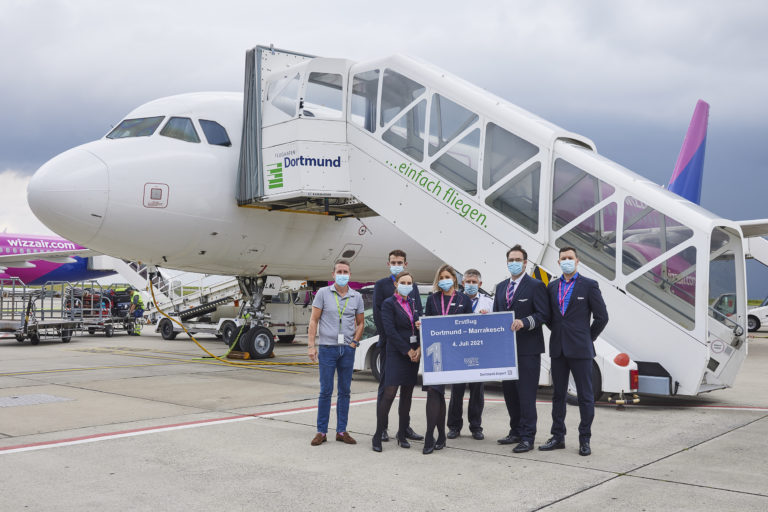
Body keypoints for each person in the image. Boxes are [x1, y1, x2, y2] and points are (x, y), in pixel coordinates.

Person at [539, 246, 608, 456]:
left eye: (570, 258)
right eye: (563, 258)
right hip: (558, 349)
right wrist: (560, 332)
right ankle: (557, 436)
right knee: (558, 395)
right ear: (558, 263)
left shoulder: (589, 285)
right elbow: (550, 318)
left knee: (585, 396)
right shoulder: (551, 287)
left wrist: (588, 337)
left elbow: (602, 317)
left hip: (581, 349)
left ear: (577, 261)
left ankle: (584, 439)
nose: (566, 261)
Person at [492, 245, 550, 453]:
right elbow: (497, 317)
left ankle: (527, 437)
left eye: (518, 260)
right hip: (506, 351)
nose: (514, 263)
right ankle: (515, 430)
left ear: (525, 263)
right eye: (511, 260)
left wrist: (524, 322)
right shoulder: (500, 287)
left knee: (526, 395)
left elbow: (543, 315)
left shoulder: (536, 286)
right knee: (510, 393)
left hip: (527, 350)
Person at [307, 260, 365, 446]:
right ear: (333, 274)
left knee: (345, 391)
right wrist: (311, 345)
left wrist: (354, 342)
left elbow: (361, 322)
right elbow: (314, 320)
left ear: (350, 274)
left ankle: (341, 431)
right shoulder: (323, 293)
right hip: (327, 348)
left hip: (347, 350)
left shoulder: (356, 296)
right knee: (326, 390)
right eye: (339, 271)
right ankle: (321, 432)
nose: (342, 274)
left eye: (345, 271)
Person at [372, 249, 424, 443]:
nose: (397, 264)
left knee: (407, 391)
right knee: (387, 389)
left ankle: (404, 428)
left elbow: (417, 313)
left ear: (405, 263)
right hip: (390, 346)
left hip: (411, 348)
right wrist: (397, 345)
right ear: (389, 264)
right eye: (393, 261)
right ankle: (382, 428)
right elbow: (379, 317)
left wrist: (417, 346)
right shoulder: (381, 286)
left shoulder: (413, 288)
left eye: (400, 261)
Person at [422, 264, 473, 454]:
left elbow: (469, 325)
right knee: (434, 392)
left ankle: (441, 435)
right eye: (441, 277)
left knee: (440, 394)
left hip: (455, 353)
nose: (444, 280)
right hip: (435, 351)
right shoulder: (432, 299)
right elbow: (428, 322)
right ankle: (431, 435)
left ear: (454, 279)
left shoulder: (463, 299)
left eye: (447, 276)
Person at [446, 269, 494, 440]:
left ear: (480, 284)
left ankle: (476, 427)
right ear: (462, 283)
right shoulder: (454, 300)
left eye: (474, 282)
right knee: (456, 391)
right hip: (458, 351)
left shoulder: (488, 302)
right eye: (468, 281)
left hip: (479, 352)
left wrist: (487, 318)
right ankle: (454, 426)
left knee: (477, 391)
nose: (471, 285)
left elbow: (496, 325)